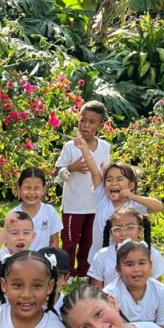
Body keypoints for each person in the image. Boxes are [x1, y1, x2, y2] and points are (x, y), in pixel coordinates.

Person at [75, 142, 163, 266]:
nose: (113, 183)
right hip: (99, 259)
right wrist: (84, 148)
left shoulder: (134, 204)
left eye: (120, 179)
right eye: (109, 180)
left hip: (127, 259)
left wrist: (133, 196)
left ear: (131, 185)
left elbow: (158, 206)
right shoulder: (102, 198)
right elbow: (94, 172)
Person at [55, 101, 111, 276]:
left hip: (95, 206)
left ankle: (84, 276)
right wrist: (71, 168)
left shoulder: (105, 147)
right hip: (73, 207)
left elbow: (105, 171)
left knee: (90, 243)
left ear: (100, 125)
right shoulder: (70, 147)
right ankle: (67, 276)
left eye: (92, 122)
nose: (86, 125)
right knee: (69, 243)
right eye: (83, 120)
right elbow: (58, 171)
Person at [87, 206, 164, 288]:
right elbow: (96, 292)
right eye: (118, 229)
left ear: (140, 231)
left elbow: (158, 289)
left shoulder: (152, 254)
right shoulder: (102, 256)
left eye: (130, 227)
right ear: (111, 233)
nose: (124, 233)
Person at [7, 167, 60, 251]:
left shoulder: (50, 212)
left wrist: (50, 257)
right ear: (19, 188)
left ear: (44, 189)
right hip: (20, 258)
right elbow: (9, 245)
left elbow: (54, 242)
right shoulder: (13, 215)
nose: (31, 193)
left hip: (44, 258)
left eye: (36, 188)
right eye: (27, 188)